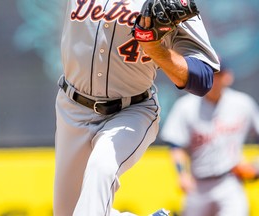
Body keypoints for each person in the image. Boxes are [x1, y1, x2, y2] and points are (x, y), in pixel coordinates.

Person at [53, 0, 220, 215]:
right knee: (69, 211)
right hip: (72, 107)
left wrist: (155, 48)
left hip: (130, 111)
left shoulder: (167, 1)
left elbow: (203, 79)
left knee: (101, 168)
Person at [160, 62, 259, 216]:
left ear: (228, 77)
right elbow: (175, 145)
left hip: (230, 180)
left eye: (218, 75)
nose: (214, 80)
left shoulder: (242, 103)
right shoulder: (186, 106)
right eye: (210, 75)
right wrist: (182, 174)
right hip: (198, 184)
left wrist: (256, 166)